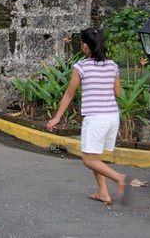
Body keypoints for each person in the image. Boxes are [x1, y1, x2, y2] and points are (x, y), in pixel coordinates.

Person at [47, 28, 127, 205]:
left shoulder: (81, 66)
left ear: (85, 45)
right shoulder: (113, 65)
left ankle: (119, 177)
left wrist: (56, 118)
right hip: (112, 116)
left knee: (88, 159)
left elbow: (69, 94)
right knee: (95, 156)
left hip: (96, 118)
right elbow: (118, 93)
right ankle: (104, 193)